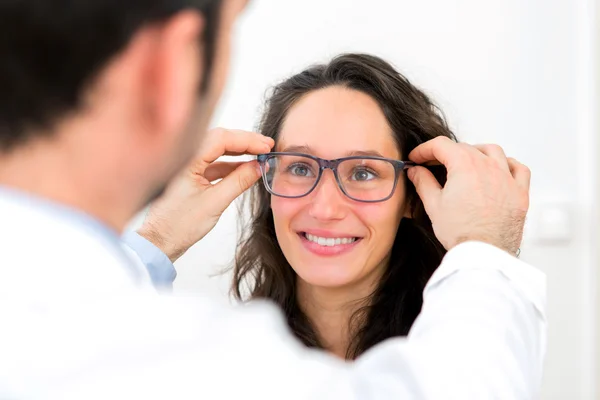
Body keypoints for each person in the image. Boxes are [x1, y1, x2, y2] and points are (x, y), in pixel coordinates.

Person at [0, 1, 545, 400]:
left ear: (414, 195)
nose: (326, 206)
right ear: (169, 65)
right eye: (301, 167)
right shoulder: (216, 362)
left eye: (363, 171)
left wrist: (155, 243)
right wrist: (484, 251)